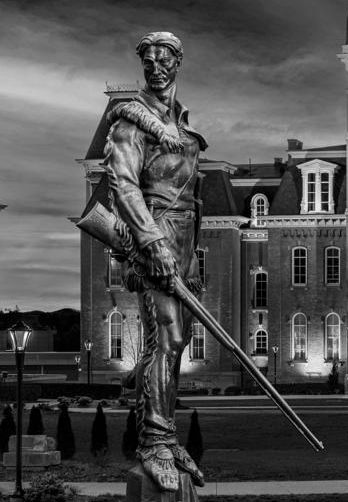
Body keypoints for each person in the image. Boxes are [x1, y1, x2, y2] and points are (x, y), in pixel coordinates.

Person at [103, 32, 207, 492]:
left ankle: (161, 430)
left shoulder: (181, 124)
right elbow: (123, 187)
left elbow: (194, 200)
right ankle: (156, 442)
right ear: (142, 65)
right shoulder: (131, 125)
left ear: (178, 62)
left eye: (165, 59)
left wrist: (193, 260)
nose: (157, 67)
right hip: (155, 239)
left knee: (172, 344)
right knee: (168, 337)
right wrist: (152, 244)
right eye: (149, 60)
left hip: (183, 243)